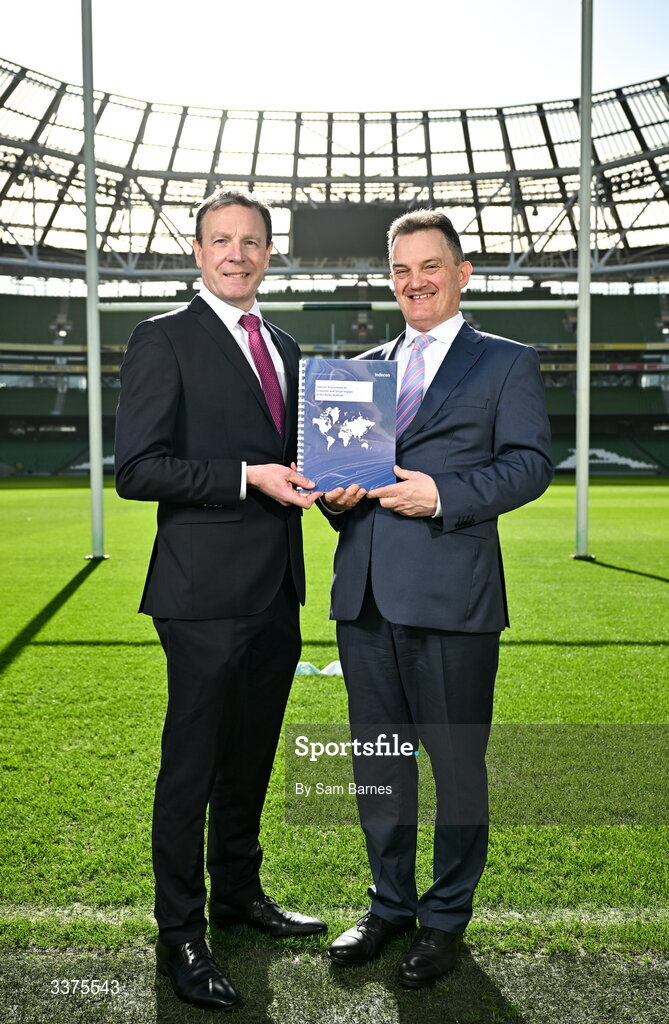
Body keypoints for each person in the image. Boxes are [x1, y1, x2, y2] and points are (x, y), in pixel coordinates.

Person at [322, 210, 553, 987]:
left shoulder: (506, 362)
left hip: (453, 599)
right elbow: (343, 485)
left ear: (461, 273)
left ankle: (444, 920)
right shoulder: (359, 371)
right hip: (364, 600)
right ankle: (388, 905)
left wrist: (442, 495)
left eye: (429, 266)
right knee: (379, 768)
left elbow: (528, 465)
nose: (414, 282)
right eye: (400, 270)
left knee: (455, 769)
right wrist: (334, 497)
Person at [115, 188, 326, 1013]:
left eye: (250, 241)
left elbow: (298, 457)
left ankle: (238, 893)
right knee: (192, 767)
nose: (236, 254)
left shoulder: (286, 344)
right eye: (220, 240)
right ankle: (181, 934)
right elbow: (138, 469)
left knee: (249, 756)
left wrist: (337, 482)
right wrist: (246, 476)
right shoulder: (162, 337)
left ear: (270, 253)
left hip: (276, 587)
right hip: (201, 592)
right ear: (198, 252)